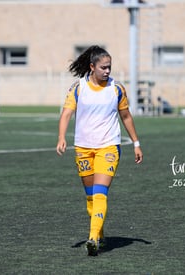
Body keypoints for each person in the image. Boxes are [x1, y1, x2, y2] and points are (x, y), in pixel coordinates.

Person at [56, 45, 143, 256]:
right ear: (92, 67)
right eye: (103, 67)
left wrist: (136, 143)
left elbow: (126, 116)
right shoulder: (78, 88)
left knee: (100, 192)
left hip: (109, 146)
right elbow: (66, 114)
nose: (107, 71)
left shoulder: (117, 89)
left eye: (109, 67)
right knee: (90, 197)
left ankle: (93, 238)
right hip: (83, 148)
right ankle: (101, 234)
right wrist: (61, 137)